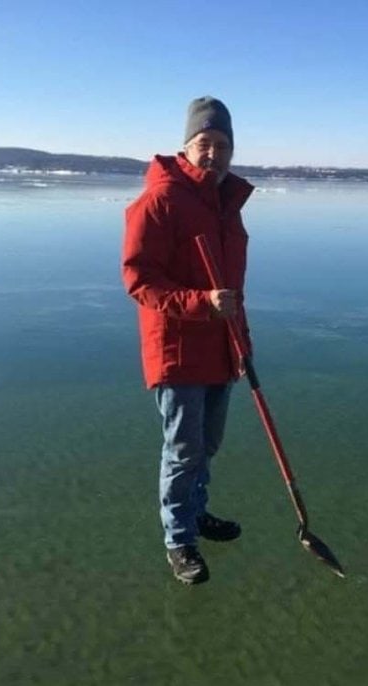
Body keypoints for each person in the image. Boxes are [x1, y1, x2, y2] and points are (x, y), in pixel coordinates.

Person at [122, 97, 254, 586]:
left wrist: (242, 339)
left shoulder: (226, 207)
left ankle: (196, 513)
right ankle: (179, 541)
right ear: (186, 146)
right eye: (205, 144)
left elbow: (234, 292)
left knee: (208, 445)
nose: (214, 154)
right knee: (183, 450)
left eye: (223, 146)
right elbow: (139, 279)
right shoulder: (160, 200)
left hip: (221, 346)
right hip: (177, 349)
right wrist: (201, 303)